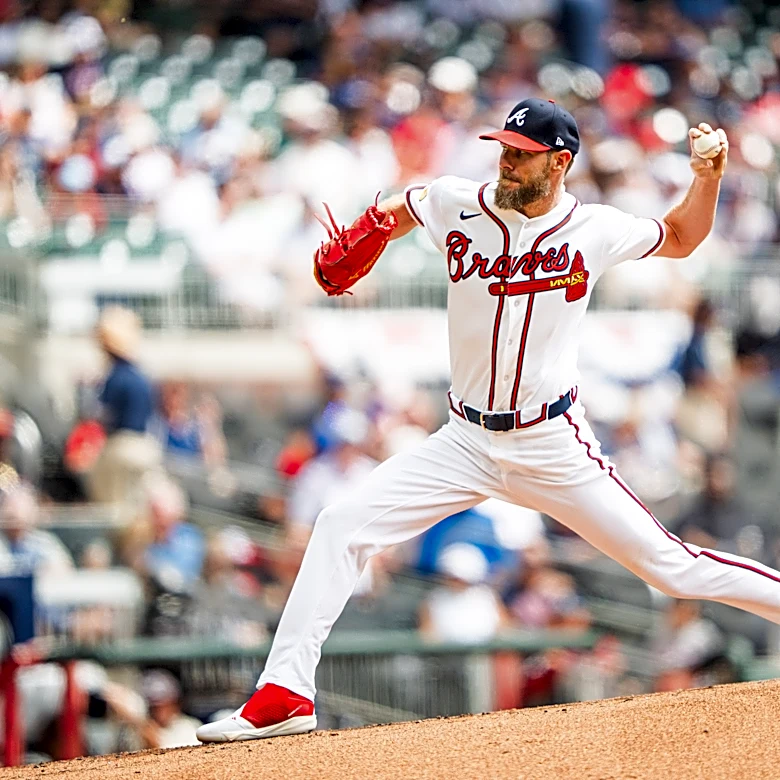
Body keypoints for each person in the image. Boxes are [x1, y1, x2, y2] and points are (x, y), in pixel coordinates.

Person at [198, 100, 778, 745]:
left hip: (550, 441)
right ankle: (284, 695)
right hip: (465, 441)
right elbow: (401, 206)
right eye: (502, 145)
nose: (504, 157)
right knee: (340, 525)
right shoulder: (458, 201)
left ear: (559, 162)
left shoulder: (594, 228)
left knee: (671, 568)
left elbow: (681, 237)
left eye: (520, 151)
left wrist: (709, 177)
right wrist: (369, 231)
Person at [87, 307, 161, 508]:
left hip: (122, 446)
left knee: (113, 506)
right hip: (144, 444)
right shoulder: (141, 375)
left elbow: (104, 415)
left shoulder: (117, 377)